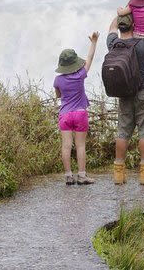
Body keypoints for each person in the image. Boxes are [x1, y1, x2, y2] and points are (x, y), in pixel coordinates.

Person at [108, 13, 144, 185]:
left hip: (124, 93)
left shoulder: (113, 43)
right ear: (134, 24)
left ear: (120, 26)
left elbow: (111, 28)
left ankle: (119, 173)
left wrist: (121, 12)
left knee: (123, 131)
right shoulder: (143, 44)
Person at [54, 32, 99, 185]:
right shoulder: (81, 74)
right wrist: (93, 42)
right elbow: (90, 58)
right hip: (80, 113)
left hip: (65, 115)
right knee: (80, 145)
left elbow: (58, 95)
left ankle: (68, 176)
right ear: (75, 62)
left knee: (66, 146)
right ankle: (82, 175)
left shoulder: (58, 79)